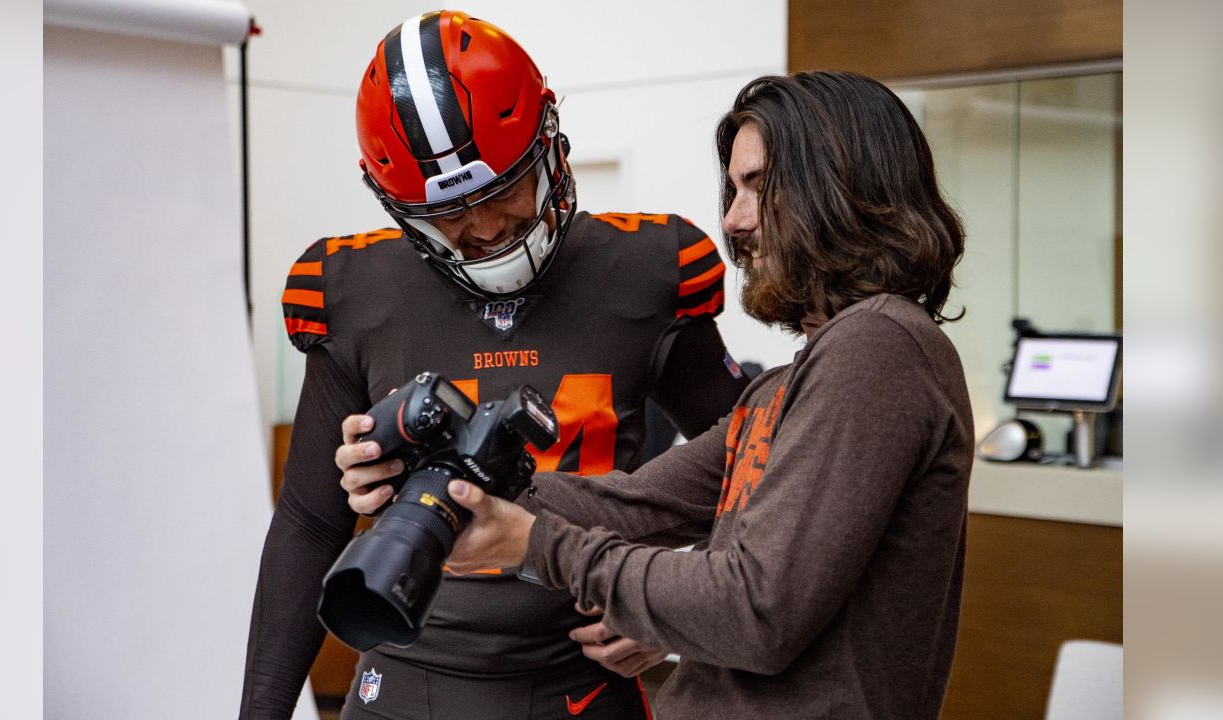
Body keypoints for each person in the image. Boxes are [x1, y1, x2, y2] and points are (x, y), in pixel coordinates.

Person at [341, 71, 974, 718]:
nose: (733, 219)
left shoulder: (878, 351)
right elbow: (638, 503)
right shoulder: (789, 387)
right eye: (732, 190)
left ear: (843, 186)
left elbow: (757, 606)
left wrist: (537, 544)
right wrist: (446, 480)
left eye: (758, 187)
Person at [238, 10, 750, 720]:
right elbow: (308, 522)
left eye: (504, 187)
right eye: (446, 212)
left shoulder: (645, 271)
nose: (483, 229)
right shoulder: (354, 290)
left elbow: (759, 463)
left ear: (552, 144)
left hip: (580, 682)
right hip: (403, 683)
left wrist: (670, 600)